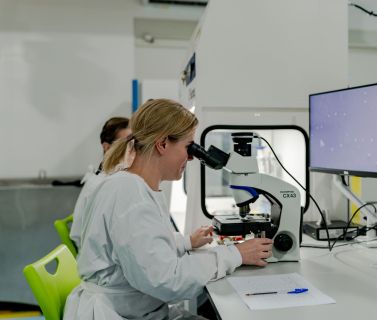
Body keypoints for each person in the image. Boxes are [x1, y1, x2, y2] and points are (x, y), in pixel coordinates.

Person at [64, 99, 274, 320]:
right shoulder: (130, 193)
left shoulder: (133, 185)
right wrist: (235, 254)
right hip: (122, 313)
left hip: (135, 308)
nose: (192, 157)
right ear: (162, 144)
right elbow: (167, 280)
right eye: (188, 147)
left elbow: (141, 247)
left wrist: (186, 242)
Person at [70, 117, 132, 250]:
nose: (132, 148)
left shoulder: (107, 176)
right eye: (126, 142)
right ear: (107, 146)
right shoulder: (103, 185)